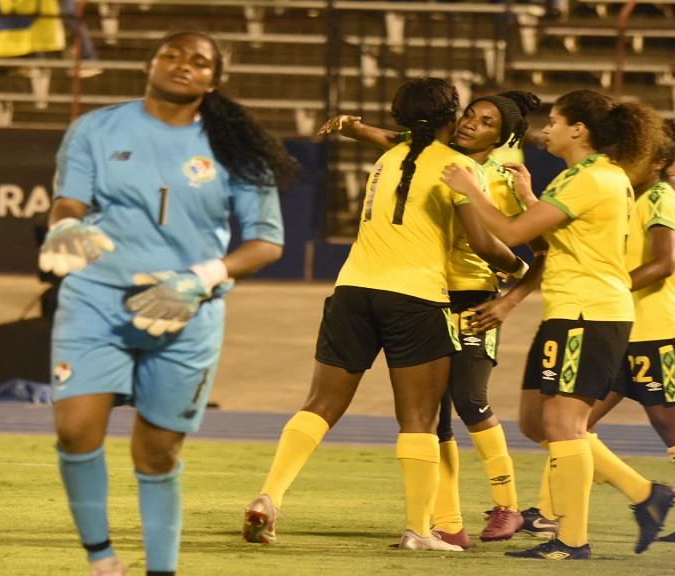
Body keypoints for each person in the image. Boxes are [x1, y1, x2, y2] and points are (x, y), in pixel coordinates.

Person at [39, 32, 297, 576]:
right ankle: (102, 560)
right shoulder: (95, 128)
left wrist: (201, 277)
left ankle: (162, 570)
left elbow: (266, 241)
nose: (183, 66)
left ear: (215, 79)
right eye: (172, 55)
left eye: (199, 61)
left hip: (185, 311)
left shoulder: (238, 148)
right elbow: (69, 199)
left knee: (157, 454)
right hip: (96, 301)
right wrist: (64, 225)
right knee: (74, 429)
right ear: (149, 63)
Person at [242, 77, 528, 552]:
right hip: (415, 298)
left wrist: (354, 128)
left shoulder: (387, 159)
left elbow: (394, 141)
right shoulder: (459, 166)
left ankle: (269, 497)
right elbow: (480, 241)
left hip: (352, 289)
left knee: (319, 406)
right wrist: (520, 269)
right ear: (449, 119)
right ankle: (420, 530)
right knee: (419, 418)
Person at [441, 89, 668, 560]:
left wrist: (469, 190)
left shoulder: (594, 178)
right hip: (566, 313)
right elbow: (555, 233)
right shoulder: (583, 177)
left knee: (564, 425)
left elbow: (512, 235)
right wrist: (527, 196)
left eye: (555, 121)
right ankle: (645, 494)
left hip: (589, 314)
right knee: (535, 423)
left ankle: (571, 539)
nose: (545, 129)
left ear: (578, 130)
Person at [317, 90, 547, 548]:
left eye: (485, 123)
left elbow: (543, 253)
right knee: (432, 417)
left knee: (469, 398)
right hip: (429, 297)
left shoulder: (501, 179)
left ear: (503, 138)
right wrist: (353, 126)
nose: (470, 124)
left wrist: (510, 299)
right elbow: (393, 139)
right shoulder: (434, 155)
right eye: (469, 115)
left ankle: (508, 506)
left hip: (477, 299)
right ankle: (449, 524)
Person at [585, 119, 675, 546]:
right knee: (568, 426)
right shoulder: (633, 198)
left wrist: (608, 286)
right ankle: (556, 512)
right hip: (625, 331)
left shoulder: (662, 200)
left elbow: (668, 267)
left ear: (659, 162)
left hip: (660, 334)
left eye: (633, 156)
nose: (622, 163)